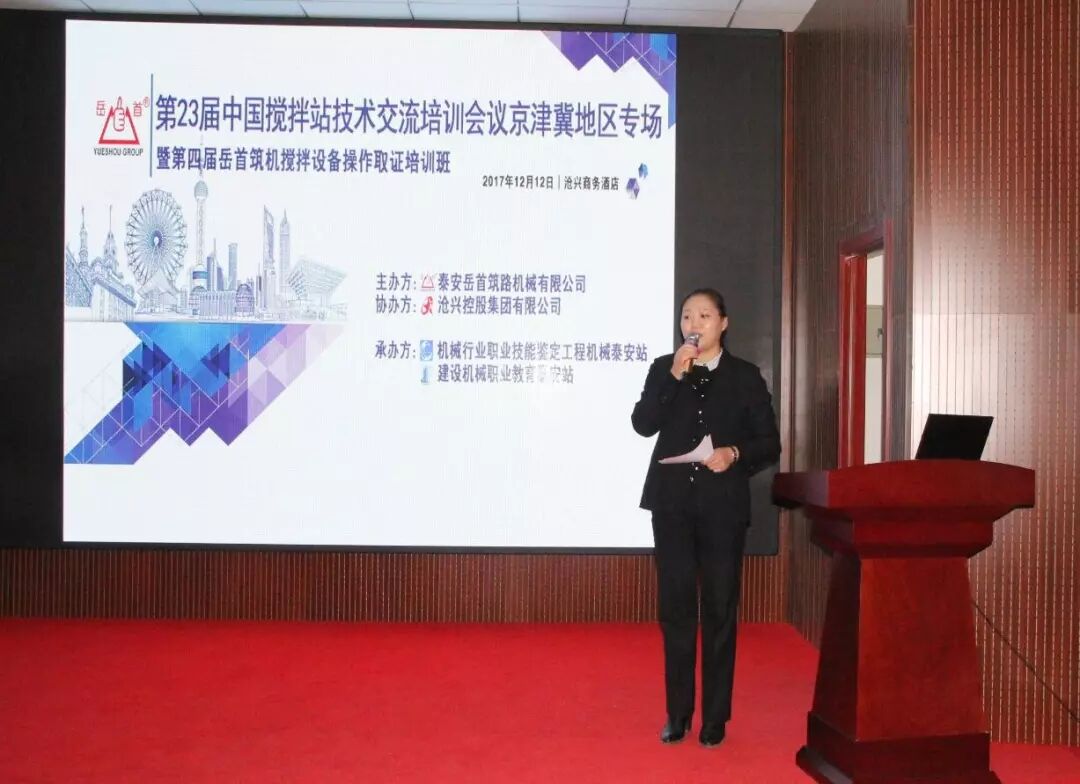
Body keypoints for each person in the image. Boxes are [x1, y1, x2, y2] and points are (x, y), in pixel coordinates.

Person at [631, 288, 780, 747]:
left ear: (723, 323)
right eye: (686, 316)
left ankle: (715, 718)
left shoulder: (745, 376)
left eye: (704, 316)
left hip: (722, 509)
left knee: (719, 610)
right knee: (676, 610)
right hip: (672, 507)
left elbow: (768, 443)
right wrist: (674, 376)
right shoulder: (665, 367)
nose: (693, 325)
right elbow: (643, 423)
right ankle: (678, 714)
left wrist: (733, 453)